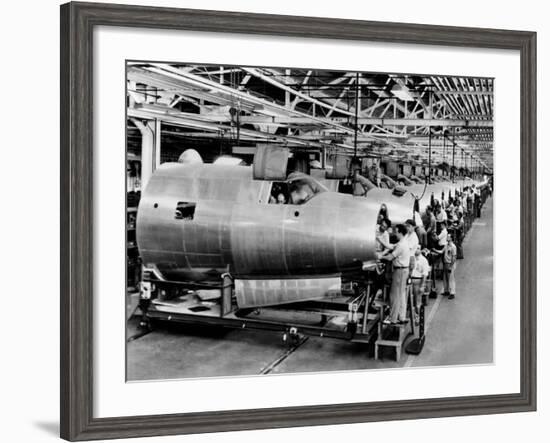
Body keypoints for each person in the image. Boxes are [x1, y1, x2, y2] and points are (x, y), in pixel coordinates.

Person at [381, 224, 411, 325]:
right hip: (403, 271)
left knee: (394, 295)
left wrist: (380, 256)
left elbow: (390, 257)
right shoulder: (403, 242)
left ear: (400, 233)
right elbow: (390, 246)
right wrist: (379, 239)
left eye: (396, 232)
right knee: (401, 294)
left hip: (400, 271)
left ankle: (393, 319)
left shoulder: (401, 245)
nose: (395, 233)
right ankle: (401, 317)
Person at [410, 246, 431, 324]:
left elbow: (425, 274)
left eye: (418, 248)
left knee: (417, 301)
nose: (416, 250)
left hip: (418, 281)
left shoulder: (424, 260)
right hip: (410, 280)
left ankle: (417, 317)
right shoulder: (411, 258)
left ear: (420, 250)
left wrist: (422, 286)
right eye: (415, 248)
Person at [442, 234, 457, 299]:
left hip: (450, 264)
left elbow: (454, 257)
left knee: (451, 278)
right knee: (445, 278)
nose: (447, 237)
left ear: (451, 238)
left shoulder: (453, 246)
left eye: (448, 237)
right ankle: (446, 290)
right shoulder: (446, 245)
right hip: (445, 263)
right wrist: (434, 250)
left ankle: (452, 293)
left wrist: (451, 266)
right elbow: (441, 251)